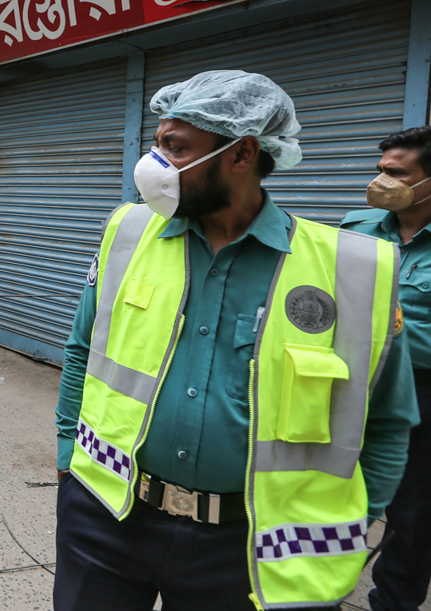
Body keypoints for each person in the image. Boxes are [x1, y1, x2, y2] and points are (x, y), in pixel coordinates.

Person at [53, 70, 419, 611]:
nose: (153, 167)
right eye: (157, 144)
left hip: (250, 546)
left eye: (176, 148)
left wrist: (351, 527)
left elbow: (387, 421)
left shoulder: (353, 272)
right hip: (108, 515)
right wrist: (68, 460)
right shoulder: (128, 232)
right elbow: (83, 349)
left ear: (242, 154)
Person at [340, 127, 431, 611]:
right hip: (347, 383)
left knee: (410, 514)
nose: (380, 181)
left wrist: (384, 335)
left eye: (395, 173)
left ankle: (394, 600)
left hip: (421, 390)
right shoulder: (358, 227)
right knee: (328, 485)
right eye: (380, 169)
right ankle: (315, 577)